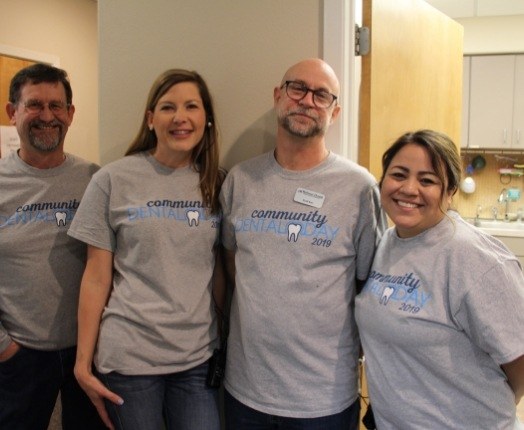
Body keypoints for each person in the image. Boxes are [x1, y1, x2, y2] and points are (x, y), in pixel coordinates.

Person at [219, 58, 386, 429]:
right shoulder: (240, 181)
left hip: (323, 398)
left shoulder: (359, 188)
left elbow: (368, 285)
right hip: (246, 390)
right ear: (279, 96)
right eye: (297, 88)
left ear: (335, 111)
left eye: (321, 95)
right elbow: (233, 266)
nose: (307, 100)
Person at [67, 69, 224, 430]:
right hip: (130, 359)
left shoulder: (217, 183)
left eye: (191, 106)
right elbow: (95, 276)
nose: (180, 117)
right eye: (168, 107)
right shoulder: (112, 179)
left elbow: (218, 271)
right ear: (151, 119)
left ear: (207, 119)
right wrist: (82, 361)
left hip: (196, 358)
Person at [355, 129, 524, 429]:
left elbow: (519, 357)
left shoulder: (473, 257)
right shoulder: (387, 243)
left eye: (427, 180)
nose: (409, 189)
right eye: (399, 174)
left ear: (450, 191)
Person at [0, 63, 105, 429]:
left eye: (56, 106)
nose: (47, 117)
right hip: (19, 354)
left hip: (89, 350)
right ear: (13, 112)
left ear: (70, 114)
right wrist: (4, 347)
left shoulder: (96, 179)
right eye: (34, 105)